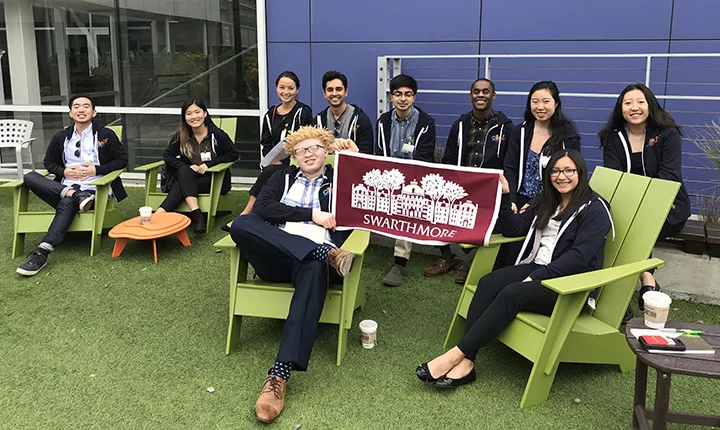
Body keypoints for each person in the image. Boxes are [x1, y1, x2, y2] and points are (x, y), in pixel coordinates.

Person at [416, 149, 612, 389]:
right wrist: (506, 196)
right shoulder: (547, 201)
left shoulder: (595, 209)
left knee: (512, 293)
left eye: (569, 170)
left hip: (570, 285)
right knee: (489, 283)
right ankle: (468, 361)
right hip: (539, 268)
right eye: (556, 171)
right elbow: (513, 229)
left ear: (581, 172)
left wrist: (536, 276)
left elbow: (579, 258)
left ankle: (455, 355)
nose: (562, 176)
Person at [229, 126, 356, 423]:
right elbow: (263, 208)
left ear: (327, 151)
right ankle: (323, 253)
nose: (308, 154)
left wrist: (357, 161)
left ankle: (279, 374)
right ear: (294, 156)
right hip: (278, 257)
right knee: (242, 224)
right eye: (301, 150)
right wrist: (311, 215)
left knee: (313, 265)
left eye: (314, 148)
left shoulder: (340, 179)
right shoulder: (281, 177)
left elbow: (367, 197)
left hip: (311, 268)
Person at [599, 83, 690, 310]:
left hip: (668, 208)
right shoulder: (613, 137)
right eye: (628, 103)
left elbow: (667, 179)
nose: (634, 108)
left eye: (640, 102)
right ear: (621, 109)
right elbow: (614, 178)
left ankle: (633, 286)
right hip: (628, 207)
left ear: (650, 105)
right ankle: (647, 281)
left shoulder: (666, 135)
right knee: (613, 224)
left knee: (632, 229)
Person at [16, 94, 128, 276]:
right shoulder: (61, 137)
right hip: (65, 187)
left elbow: (122, 161)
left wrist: (96, 170)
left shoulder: (106, 134)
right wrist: (63, 172)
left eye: (86, 106)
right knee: (29, 176)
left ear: (94, 112)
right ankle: (74, 194)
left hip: (94, 189)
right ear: (70, 112)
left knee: (68, 202)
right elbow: (49, 162)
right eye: (76, 106)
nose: (81, 110)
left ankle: (41, 253)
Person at [424, 78, 514, 284]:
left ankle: (469, 262)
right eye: (476, 91)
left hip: (491, 191)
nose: (480, 95)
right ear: (470, 95)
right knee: (435, 209)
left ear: (494, 96)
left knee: (489, 223)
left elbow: (510, 163)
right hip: (461, 187)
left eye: (485, 91)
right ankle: (446, 257)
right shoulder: (460, 124)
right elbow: (448, 158)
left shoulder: (506, 127)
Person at [375, 73, 437, 287]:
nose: (403, 98)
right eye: (398, 94)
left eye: (408, 94)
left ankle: (399, 262)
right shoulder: (383, 121)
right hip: (388, 177)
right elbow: (380, 153)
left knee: (406, 205)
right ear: (391, 97)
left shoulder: (426, 123)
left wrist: (405, 182)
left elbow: (424, 158)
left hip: (414, 180)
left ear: (414, 97)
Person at [155, 99, 240, 233]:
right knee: (184, 171)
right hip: (190, 177)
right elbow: (168, 155)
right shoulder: (181, 135)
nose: (194, 116)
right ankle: (197, 214)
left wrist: (209, 164)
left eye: (197, 112)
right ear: (184, 117)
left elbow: (233, 154)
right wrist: (186, 166)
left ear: (205, 113)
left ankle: (158, 215)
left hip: (216, 179)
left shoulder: (217, 135)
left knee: (182, 182)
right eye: (189, 113)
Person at [238, 71, 313, 216]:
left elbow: (308, 141)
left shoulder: (303, 112)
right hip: (274, 164)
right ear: (276, 88)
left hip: (297, 165)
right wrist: (273, 159)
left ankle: (247, 212)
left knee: (269, 172)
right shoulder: (270, 114)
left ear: (297, 90)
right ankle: (258, 212)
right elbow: (265, 143)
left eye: (291, 88)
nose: (286, 92)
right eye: (282, 87)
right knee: (270, 170)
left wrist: (284, 161)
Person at [504, 81, 581, 214]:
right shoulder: (520, 132)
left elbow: (570, 174)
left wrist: (535, 203)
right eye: (535, 102)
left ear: (556, 103)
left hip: (552, 199)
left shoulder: (568, 136)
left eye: (546, 101)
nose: (540, 107)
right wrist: (511, 200)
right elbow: (510, 168)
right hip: (519, 198)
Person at [314, 70, 374, 154]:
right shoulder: (317, 121)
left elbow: (367, 155)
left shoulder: (361, 119)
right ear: (324, 94)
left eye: (339, 89)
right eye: (330, 90)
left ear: (346, 92)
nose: (334, 93)